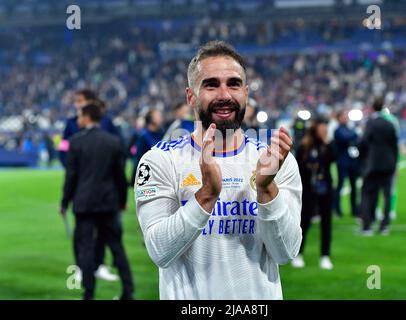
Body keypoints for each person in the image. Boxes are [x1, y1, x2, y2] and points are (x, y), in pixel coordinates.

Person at [135, 41, 302, 299]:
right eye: (211, 84)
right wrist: (206, 196)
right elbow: (160, 252)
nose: (224, 95)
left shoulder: (276, 161)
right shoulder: (159, 161)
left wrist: (267, 188)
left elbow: (285, 252)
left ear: (245, 93)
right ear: (191, 96)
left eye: (233, 84)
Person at [60, 103, 134, 300]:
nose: (77, 119)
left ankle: (89, 293)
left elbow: (71, 177)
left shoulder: (76, 142)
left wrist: (64, 202)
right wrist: (123, 200)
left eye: (79, 115)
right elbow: (120, 176)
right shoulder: (113, 141)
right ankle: (128, 291)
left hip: (84, 204)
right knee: (116, 246)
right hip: (108, 203)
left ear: (87, 116)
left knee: (84, 248)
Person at [59, 89, 120, 282]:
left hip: (103, 184)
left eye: (80, 100)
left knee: (103, 229)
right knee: (82, 231)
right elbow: (63, 150)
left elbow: (117, 148)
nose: (77, 104)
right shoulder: (70, 123)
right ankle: (81, 266)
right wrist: (71, 167)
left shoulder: (107, 122)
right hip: (81, 183)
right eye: (76, 101)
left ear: (90, 102)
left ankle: (99, 264)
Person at [292, 117, 336, 270]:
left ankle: (325, 255)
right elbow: (299, 167)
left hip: (326, 189)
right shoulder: (304, 146)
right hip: (309, 190)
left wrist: (327, 143)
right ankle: (298, 253)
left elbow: (333, 158)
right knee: (304, 222)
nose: (325, 129)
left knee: (326, 223)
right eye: (322, 125)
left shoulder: (328, 144)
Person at [359, 97, 399, 235]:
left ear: (372, 107)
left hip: (373, 164)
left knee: (367, 193)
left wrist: (364, 160)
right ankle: (384, 226)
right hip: (388, 164)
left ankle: (367, 226)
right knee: (387, 195)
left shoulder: (371, 123)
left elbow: (363, 142)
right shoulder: (389, 124)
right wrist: (394, 164)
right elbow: (395, 146)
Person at [333, 110, 360, 218]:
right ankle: (337, 209)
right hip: (342, 161)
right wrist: (354, 134)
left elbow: (354, 138)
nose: (346, 118)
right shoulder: (337, 130)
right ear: (339, 118)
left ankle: (354, 209)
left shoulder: (348, 129)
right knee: (340, 186)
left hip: (352, 162)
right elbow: (347, 138)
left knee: (354, 186)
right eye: (344, 117)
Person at [131, 109, 164, 186]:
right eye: (158, 116)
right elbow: (139, 158)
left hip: (160, 174)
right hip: (148, 176)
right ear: (151, 119)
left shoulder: (162, 133)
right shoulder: (143, 136)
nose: (161, 118)